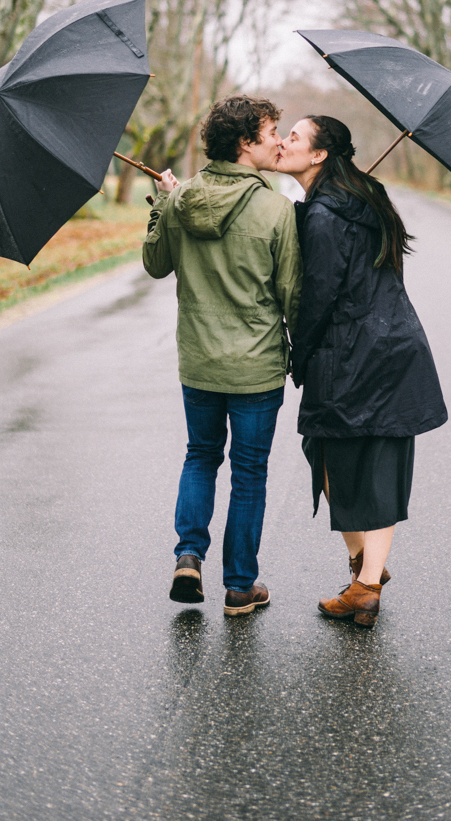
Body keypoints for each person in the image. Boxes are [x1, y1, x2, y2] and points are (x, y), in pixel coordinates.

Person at [277, 115, 447, 628]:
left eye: (294, 137)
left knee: (356, 461)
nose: (283, 142)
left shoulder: (330, 213)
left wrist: (297, 352)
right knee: (346, 456)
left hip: (356, 352)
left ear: (319, 155)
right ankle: (364, 571)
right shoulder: (358, 198)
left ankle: (367, 586)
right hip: (390, 346)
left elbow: (320, 295)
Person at [143, 95, 301, 616]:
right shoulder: (277, 209)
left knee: (201, 456)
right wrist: (301, 355)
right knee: (249, 472)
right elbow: (291, 295)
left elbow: (156, 265)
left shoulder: (182, 199)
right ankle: (240, 586)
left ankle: (188, 554)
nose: (279, 140)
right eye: (272, 131)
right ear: (245, 143)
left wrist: (164, 206)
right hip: (256, 368)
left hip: (199, 361)